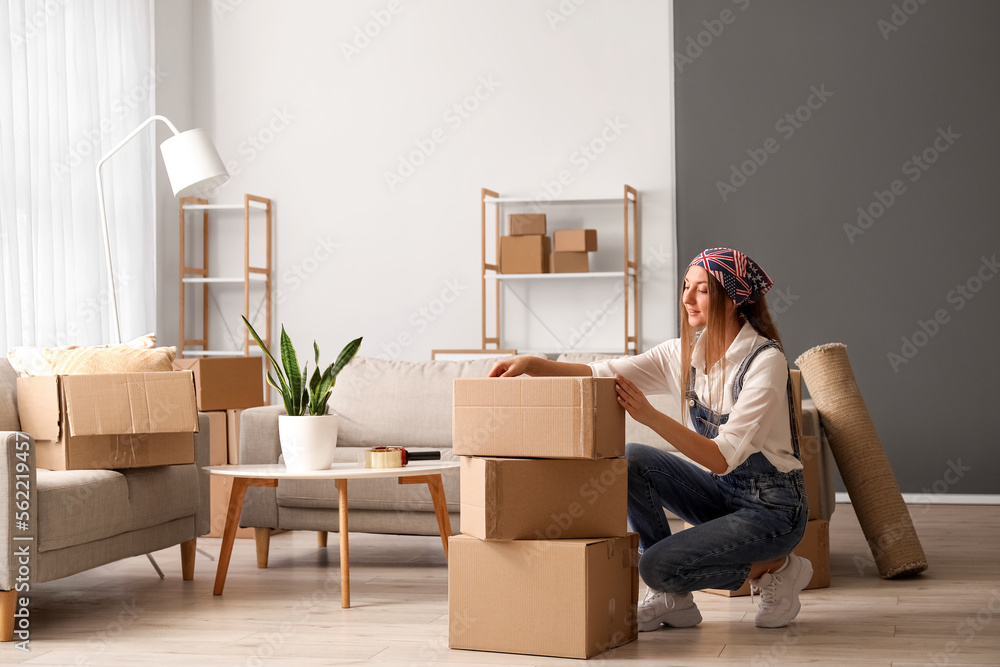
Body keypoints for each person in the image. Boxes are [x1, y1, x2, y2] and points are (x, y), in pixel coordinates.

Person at [488, 247, 810, 630]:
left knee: (656, 565)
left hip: (773, 510)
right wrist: (534, 364)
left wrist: (650, 416)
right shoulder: (684, 354)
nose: (687, 299)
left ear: (731, 300)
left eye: (702, 290)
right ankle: (673, 599)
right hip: (726, 495)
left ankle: (776, 567)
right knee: (633, 459)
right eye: (686, 287)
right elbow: (603, 372)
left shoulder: (764, 362)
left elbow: (723, 457)